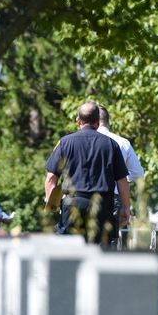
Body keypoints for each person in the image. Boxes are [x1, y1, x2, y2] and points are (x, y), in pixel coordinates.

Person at [44, 102, 131, 247]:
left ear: (78, 120)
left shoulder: (65, 143)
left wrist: (52, 205)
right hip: (102, 207)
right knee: (100, 252)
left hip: (73, 204)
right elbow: (122, 181)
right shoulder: (111, 144)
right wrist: (126, 208)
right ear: (97, 122)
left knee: (69, 251)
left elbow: (51, 179)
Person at [97, 105, 145, 250]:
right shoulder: (122, 142)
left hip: (87, 196)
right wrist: (121, 178)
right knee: (110, 240)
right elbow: (138, 174)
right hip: (114, 198)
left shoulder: (81, 140)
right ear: (107, 120)